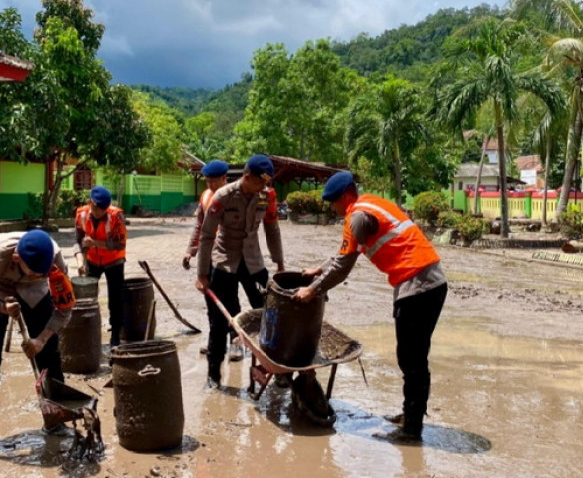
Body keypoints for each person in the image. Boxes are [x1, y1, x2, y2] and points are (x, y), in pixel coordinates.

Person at [293, 171, 447, 443]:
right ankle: (411, 414)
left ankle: (412, 429)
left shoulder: (357, 217)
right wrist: (319, 268)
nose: (332, 208)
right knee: (412, 357)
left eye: (333, 203)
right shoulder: (370, 204)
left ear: (344, 197)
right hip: (427, 281)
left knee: (412, 360)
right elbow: (343, 254)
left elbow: (343, 266)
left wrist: (313, 289)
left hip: (418, 285)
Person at [0, 230, 74, 447]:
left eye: (44, 273)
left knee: (49, 355)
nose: (42, 275)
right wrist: (1, 308)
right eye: (36, 272)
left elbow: (64, 309)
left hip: (35, 292)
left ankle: (54, 419)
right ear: (17, 258)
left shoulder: (54, 259)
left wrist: (41, 339)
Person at [195, 154, 285, 389]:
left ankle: (274, 368)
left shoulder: (266, 196)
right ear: (247, 177)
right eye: (259, 183)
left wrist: (280, 263)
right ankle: (213, 375)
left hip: (253, 263)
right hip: (225, 261)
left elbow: (272, 229)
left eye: (266, 184)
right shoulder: (222, 196)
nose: (263, 188)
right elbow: (206, 236)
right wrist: (202, 274)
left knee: (268, 315)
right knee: (218, 320)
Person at [182, 159, 255, 361]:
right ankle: (216, 344)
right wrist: (191, 251)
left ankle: (236, 342)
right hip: (209, 258)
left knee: (231, 301)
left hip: (228, 259)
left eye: (214, 181)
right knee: (211, 300)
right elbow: (199, 226)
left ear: (224, 178)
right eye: (207, 181)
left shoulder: (234, 197)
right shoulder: (206, 197)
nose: (210, 185)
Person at [73, 185, 127, 346]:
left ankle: (116, 336)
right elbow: (78, 240)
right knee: (87, 298)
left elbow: (120, 244)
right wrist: (80, 261)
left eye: (104, 209)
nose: (101, 212)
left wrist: (96, 242)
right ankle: (88, 333)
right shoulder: (81, 214)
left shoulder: (116, 216)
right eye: (98, 209)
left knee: (115, 300)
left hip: (114, 262)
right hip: (92, 261)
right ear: (91, 203)